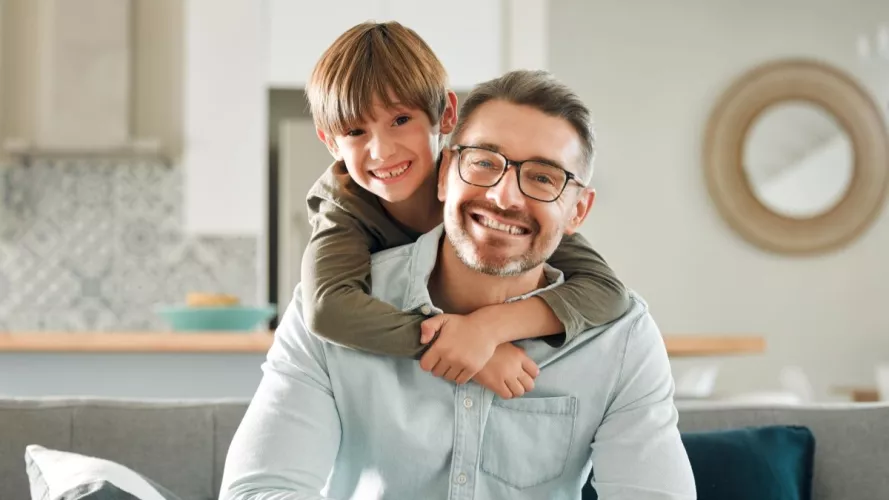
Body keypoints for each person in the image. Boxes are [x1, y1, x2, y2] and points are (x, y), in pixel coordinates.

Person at [221, 69, 696, 499]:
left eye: (543, 177)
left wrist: (490, 328)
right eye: (485, 162)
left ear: (578, 211)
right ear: (446, 173)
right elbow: (259, 491)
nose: (503, 196)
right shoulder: (333, 307)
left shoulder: (621, 339)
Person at [299, 21, 630, 398]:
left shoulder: (478, 185)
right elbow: (328, 309)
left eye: (401, 120)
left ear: (445, 114)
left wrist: (488, 329)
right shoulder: (342, 206)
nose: (382, 151)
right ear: (330, 142)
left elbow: (606, 290)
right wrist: (462, 347)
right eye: (355, 132)